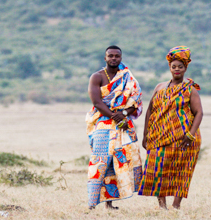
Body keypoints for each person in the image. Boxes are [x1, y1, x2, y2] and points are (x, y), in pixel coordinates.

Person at [139, 46, 203, 209]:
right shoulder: (159, 87)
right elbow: (149, 111)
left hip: (184, 138)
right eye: (173, 66)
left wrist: (190, 135)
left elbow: (199, 113)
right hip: (159, 136)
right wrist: (146, 135)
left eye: (180, 67)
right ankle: (162, 206)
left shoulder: (190, 89)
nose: (176, 69)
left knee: (181, 171)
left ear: (185, 68)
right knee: (157, 170)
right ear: (169, 67)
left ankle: (176, 206)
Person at [86, 45, 144, 209]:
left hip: (124, 125)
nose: (113, 59)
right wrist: (115, 116)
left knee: (118, 163)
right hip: (103, 124)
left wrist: (124, 114)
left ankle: (109, 204)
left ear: (121, 58)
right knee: (100, 163)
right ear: (105, 58)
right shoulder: (96, 77)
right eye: (110, 56)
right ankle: (92, 204)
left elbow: (136, 100)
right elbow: (97, 102)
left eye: (117, 56)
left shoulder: (127, 78)